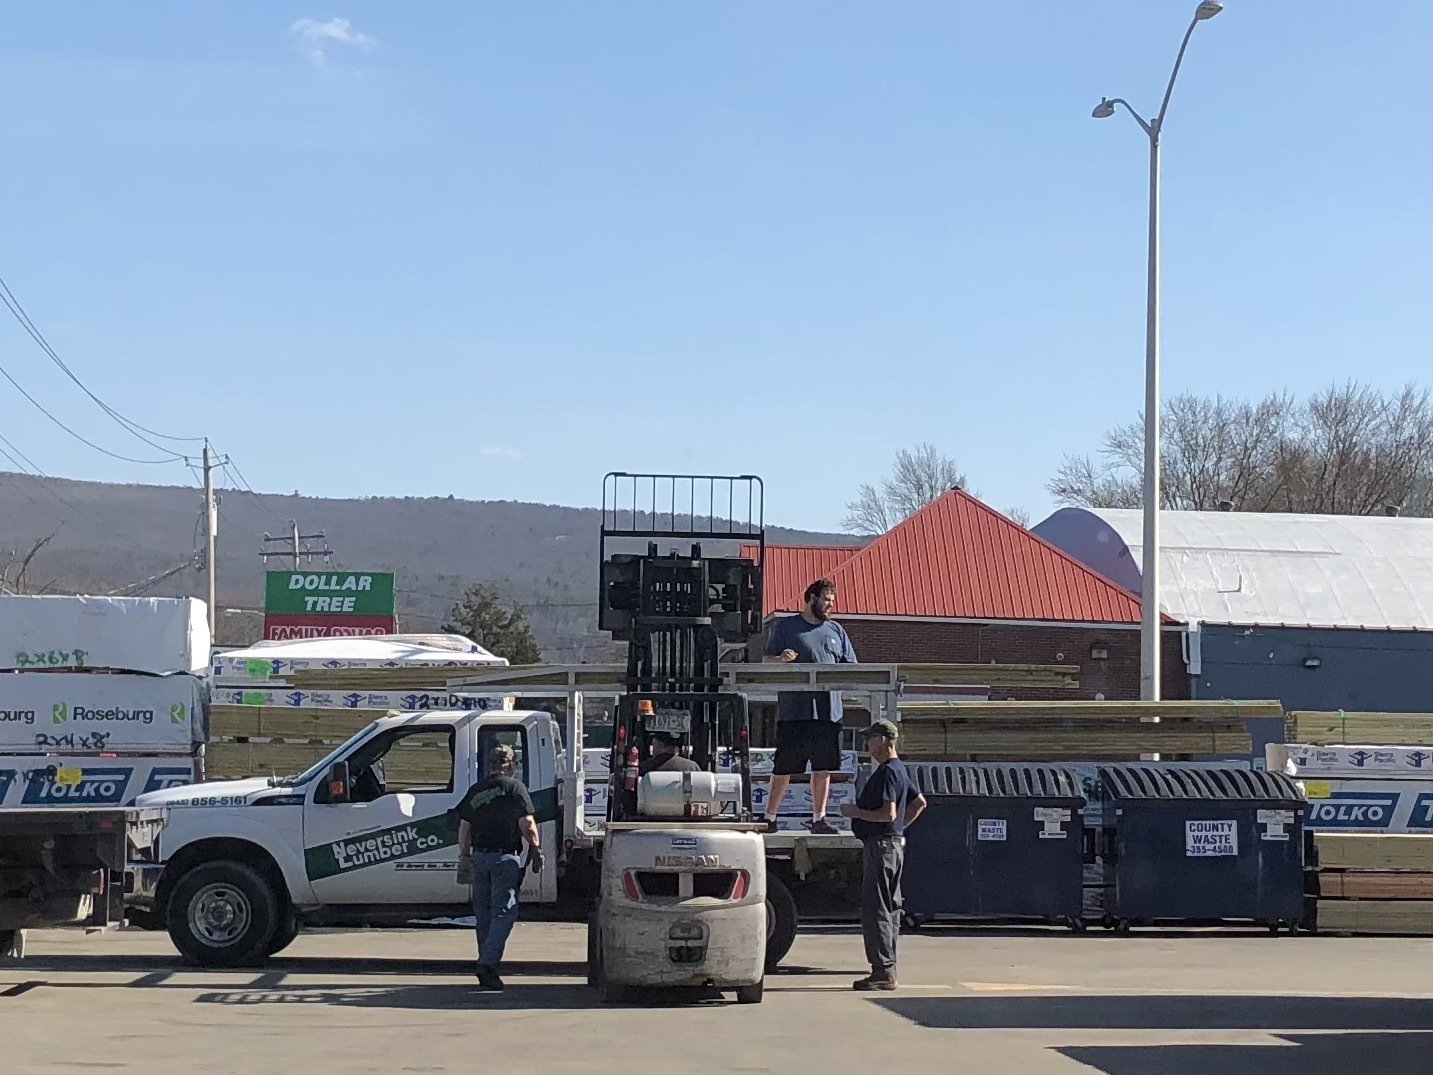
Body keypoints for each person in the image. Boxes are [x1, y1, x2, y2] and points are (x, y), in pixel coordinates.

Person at [762, 577, 857, 834]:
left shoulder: (836, 631)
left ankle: (819, 819)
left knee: (822, 768)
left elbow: (852, 668)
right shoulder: (787, 627)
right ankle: (769, 817)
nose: (830, 605)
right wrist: (780, 660)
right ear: (811, 599)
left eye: (832, 601)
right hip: (794, 712)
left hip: (828, 714)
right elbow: (765, 661)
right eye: (826, 600)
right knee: (784, 767)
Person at [839, 719, 925, 991]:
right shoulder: (900, 770)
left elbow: (888, 813)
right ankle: (888, 967)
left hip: (880, 846)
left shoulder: (887, 772)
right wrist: (898, 829)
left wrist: (855, 813)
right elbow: (919, 803)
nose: (867, 744)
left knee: (876, 908)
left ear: (885, 741)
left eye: (871, 738)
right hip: (894, 845)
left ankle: (882, 971)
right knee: (891, 908)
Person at [455, 744, 544, 991]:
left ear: (491, 765)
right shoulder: (515, 788)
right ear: (511, 765)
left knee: (483, 915)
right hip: (505, 859)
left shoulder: (476, 790)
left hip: (479, 858)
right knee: (504, 913)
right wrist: (535, 848)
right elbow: (527, 824)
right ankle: (488, 964)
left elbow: (464, 827)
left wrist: (464, 856)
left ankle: (485, 962)